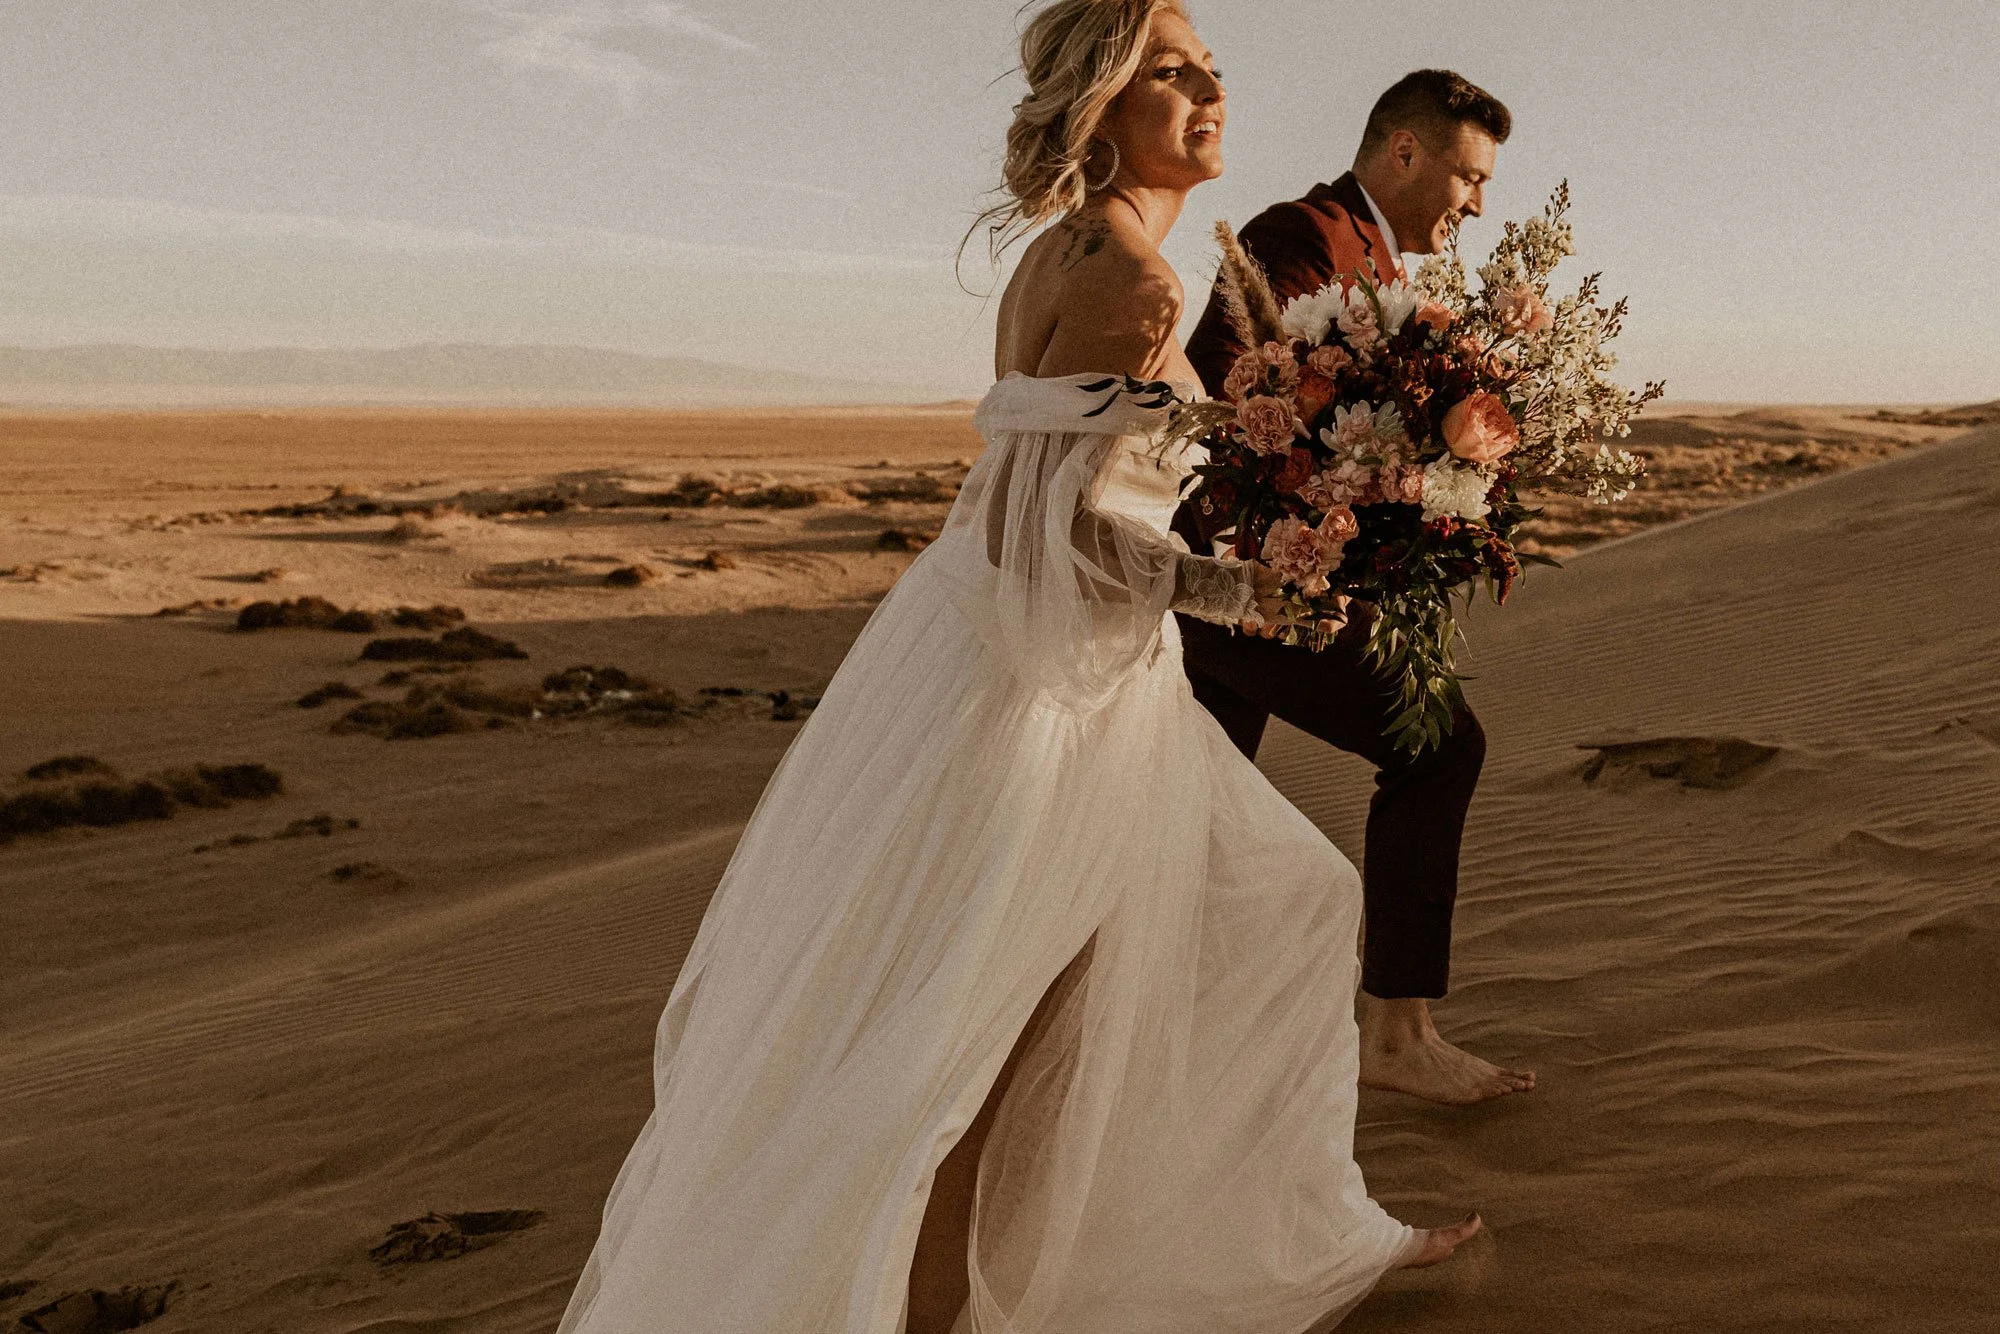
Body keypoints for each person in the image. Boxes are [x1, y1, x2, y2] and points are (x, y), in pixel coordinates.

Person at [556, 7, 1477, 1333]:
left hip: (1029, 663)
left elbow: (1039, 510)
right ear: (1099, 107)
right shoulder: (1133, 283)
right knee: (973, 1058)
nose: (1211, 89)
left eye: (1212, 65)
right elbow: (1054, 532)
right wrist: (1245, 588)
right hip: (1034, 698)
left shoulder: (1083, 252)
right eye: (1170, 71)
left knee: (1178, 959)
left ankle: (1222, 1256)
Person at [1176, 69, 1538, 1107]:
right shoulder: (1303, 237)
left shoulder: (1369, 252)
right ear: (1402, 154)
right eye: (1467, 178)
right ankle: (1394, 1032)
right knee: (1435, 745)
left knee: (1191, 809)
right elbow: (1271, 417)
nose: (1476, 205)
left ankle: (1147, 1035)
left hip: (1267, 581)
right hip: (1240, 579)